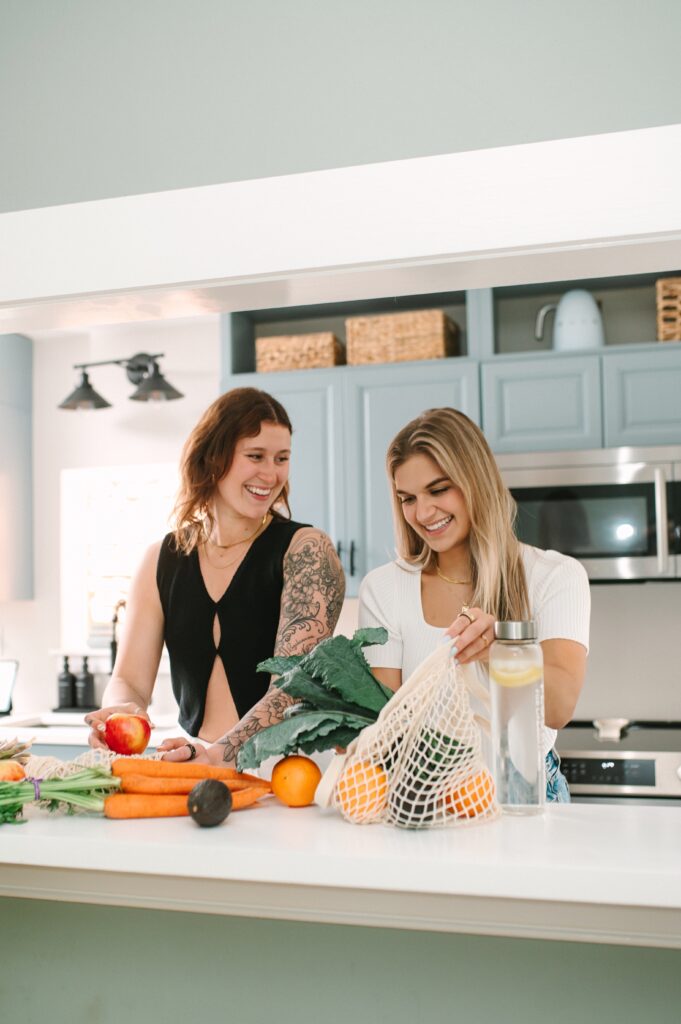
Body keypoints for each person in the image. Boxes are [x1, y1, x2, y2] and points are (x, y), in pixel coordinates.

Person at [86, 387, 345, 766]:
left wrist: (217, 755)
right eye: (255, 456)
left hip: (285, 765)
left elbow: (292, 688)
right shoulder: (162, 559)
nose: (271, 474)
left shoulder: (305, 550)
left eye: (282, 458)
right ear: (213, 458)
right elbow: (129, 680)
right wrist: (121, 709)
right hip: (196, 759)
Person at [358, 407, 590, 801]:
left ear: (475, 481)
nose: (423, 513)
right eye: (407, 498)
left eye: (438, 490)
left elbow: (558, 707)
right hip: (422, 801)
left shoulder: (554, 576)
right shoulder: (384, 588)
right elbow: (385, 726)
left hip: (524, 796)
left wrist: (497, 649)